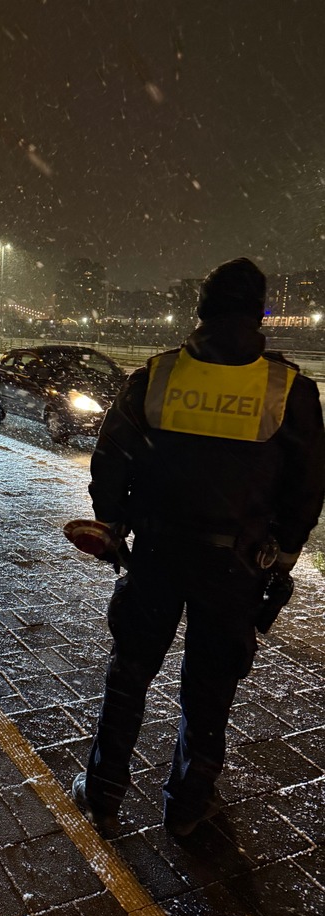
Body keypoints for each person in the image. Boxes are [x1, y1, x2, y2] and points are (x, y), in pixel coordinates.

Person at [69, 258, 325, 838]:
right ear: (259, 314)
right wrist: (282, 558)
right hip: (235, 566)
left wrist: (113, 527)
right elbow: (306, 489)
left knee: (130, 675)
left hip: (156, 555)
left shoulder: (154, 377)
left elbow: (110, 460)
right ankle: (187, 808)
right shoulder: (289, 390)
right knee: (209, 690)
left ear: (201, 311)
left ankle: (104, 792)